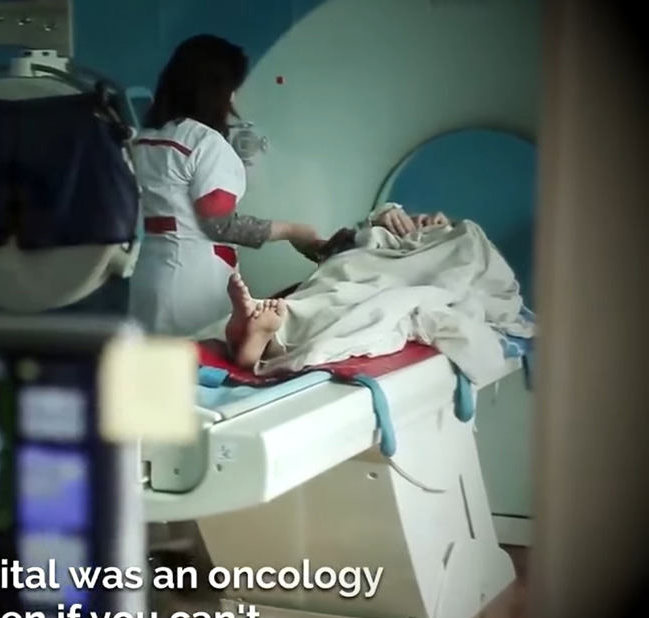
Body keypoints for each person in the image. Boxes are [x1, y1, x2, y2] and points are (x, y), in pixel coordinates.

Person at [129, 34, 328, 337]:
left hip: (149, 274)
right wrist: (292, 231)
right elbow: (219, 225)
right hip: (192, 285)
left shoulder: (145, 140)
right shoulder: (206, 144)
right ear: (218, 90)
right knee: (197, 360)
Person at [223, 208, 451, 368]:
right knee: (328, 292)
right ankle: (264, 337)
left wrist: (449, 229)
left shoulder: (457, 238)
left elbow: (464, 267)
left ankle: (262, 337)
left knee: (344, 299)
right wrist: (382, 220)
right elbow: (336, 248)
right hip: (351, 267)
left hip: (387, 278)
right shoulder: (388, 230)